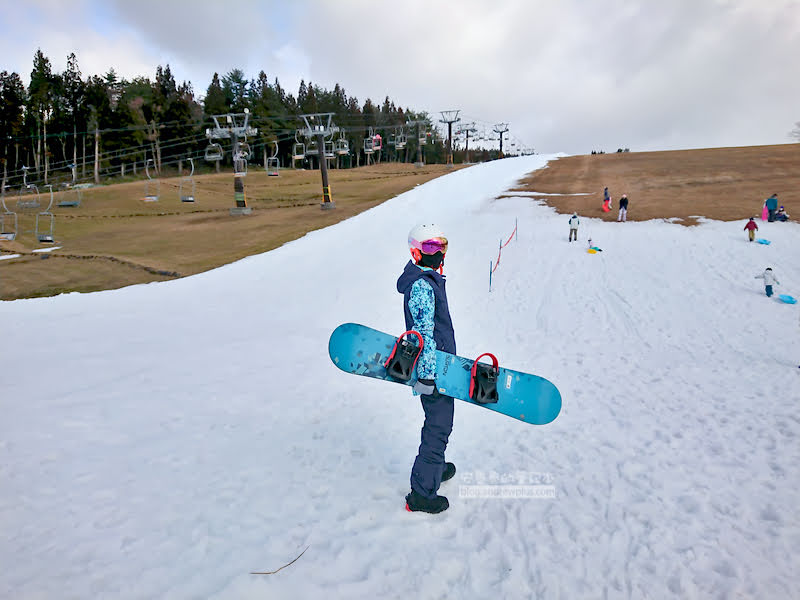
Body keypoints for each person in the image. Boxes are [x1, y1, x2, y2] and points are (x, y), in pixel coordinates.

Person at [396, 223, 457, 514]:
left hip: (441, 365)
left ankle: (435, 466)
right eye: (431, 247)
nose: (438, 252)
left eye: (442, 246)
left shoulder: (428, 279)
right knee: (439, 425)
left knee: (439, 421)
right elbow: (424, 333)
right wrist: (428, 376)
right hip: (432, 371)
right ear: (416, 251)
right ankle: (421, 494)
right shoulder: (421, 286)